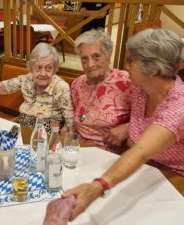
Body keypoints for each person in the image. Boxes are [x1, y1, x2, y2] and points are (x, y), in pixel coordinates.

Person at [62, 28, 184, 222]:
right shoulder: (139, 89)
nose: (126, 66)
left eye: (131, 60)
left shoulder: (179, 106)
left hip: (175, 181)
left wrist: (97, 187)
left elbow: (142, 150)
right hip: (143, 172)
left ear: (152, 69)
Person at [0, 43, 74, 134]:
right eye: (38, 68)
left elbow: (69, 125)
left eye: (48, 68)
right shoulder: (26, 80)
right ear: (31, 67)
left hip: (45, 137)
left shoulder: (61, 87)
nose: (43, 73)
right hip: (21, 129)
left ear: (55, 69)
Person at [71, 29, 132, 151]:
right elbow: (74, 119)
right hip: (78, 151)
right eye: (84, 58)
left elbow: (151, 119)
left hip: (109, 155)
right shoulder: (77, 83)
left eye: (96, 56)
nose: (90, 64)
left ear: (108, 55)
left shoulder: (126, 82)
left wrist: (127, 128)